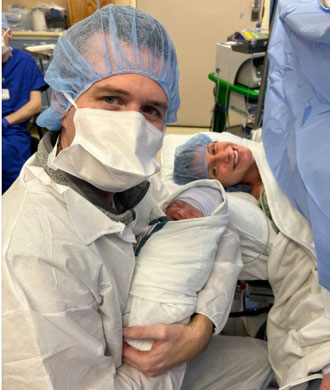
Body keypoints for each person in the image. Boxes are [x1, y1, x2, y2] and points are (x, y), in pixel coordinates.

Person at [2, 5, 271, 389]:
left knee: (259, 362)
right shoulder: (31, 255)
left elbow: (216, 231)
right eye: (111, 99)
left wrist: (199, 331)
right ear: (64, 102)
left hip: (167, 353)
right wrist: (173, 352)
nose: (132, 124)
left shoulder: (133, 184)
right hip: (122, 376)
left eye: (151, 109)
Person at [173, 132, 330, 390]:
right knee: (296, 340)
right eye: (214, 169)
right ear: (220, 185)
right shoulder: (251, 200)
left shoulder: (275, 143)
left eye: (214, 147)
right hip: (310, 261)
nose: (225, 155)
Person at [124, 180, 241, 354]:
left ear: (203, 224)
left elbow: (222, 269)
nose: (182, 211)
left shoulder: (205, 238)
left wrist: (201, 329)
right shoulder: (156, 220)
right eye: (178, 204)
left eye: (194, 213)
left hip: (167, 310)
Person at [2, 14, 48, 193]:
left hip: (12, 129)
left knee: (7, 156)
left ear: (8, 33)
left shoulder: (24, 62)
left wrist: (5, 122)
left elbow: (35, 105)